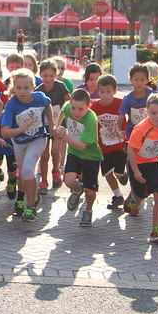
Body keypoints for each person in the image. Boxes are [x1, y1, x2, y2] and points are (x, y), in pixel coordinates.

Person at [0, 69, 52, 222]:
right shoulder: (12, 105)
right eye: (18, 87)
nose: (22, 91)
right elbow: (5, 133)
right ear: (13, 88)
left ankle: (30, 207)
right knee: (23, 174)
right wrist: (21, 129)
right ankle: (30, 199)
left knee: (28, 170)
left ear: (33, 87)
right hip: (19, 141)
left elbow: (48, 104)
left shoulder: (40, 98)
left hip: (38, 138)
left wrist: (51, 126)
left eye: (26, 88)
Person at [124, 94, 158, 245]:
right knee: (141, 194)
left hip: (154, 164)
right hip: (137, 164)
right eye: (153, 113)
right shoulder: (140, 129)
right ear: (147, 112)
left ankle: (156, 230)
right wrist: (136, 171)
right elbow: (131, 151)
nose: (157, 116)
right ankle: (136, 196)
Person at [55, 88, 103, 226]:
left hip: (91, 157)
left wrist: (65, 136)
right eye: (74, 108)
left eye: (80, 109)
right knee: (68, 181)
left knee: (90, 191)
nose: (76, 112)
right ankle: (77, 190)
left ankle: (88, 210)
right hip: (74, 153)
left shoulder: (91, 120)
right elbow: (63, 110)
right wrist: (56, 125)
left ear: (89, 106)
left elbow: (82, 146)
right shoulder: (69, 106)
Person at [36, 59, 70, 191]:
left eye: (51, 76)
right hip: (43, 125)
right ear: (40, 75)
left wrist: (67, 116)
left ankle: (56, 171)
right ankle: (43, 181)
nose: (48, 79)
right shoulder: (38, 90)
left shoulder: (60, 86)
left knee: (55, 151)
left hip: (59, 123)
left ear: (55, 75)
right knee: (44, 155)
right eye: (45, 76)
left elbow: (69, 101)